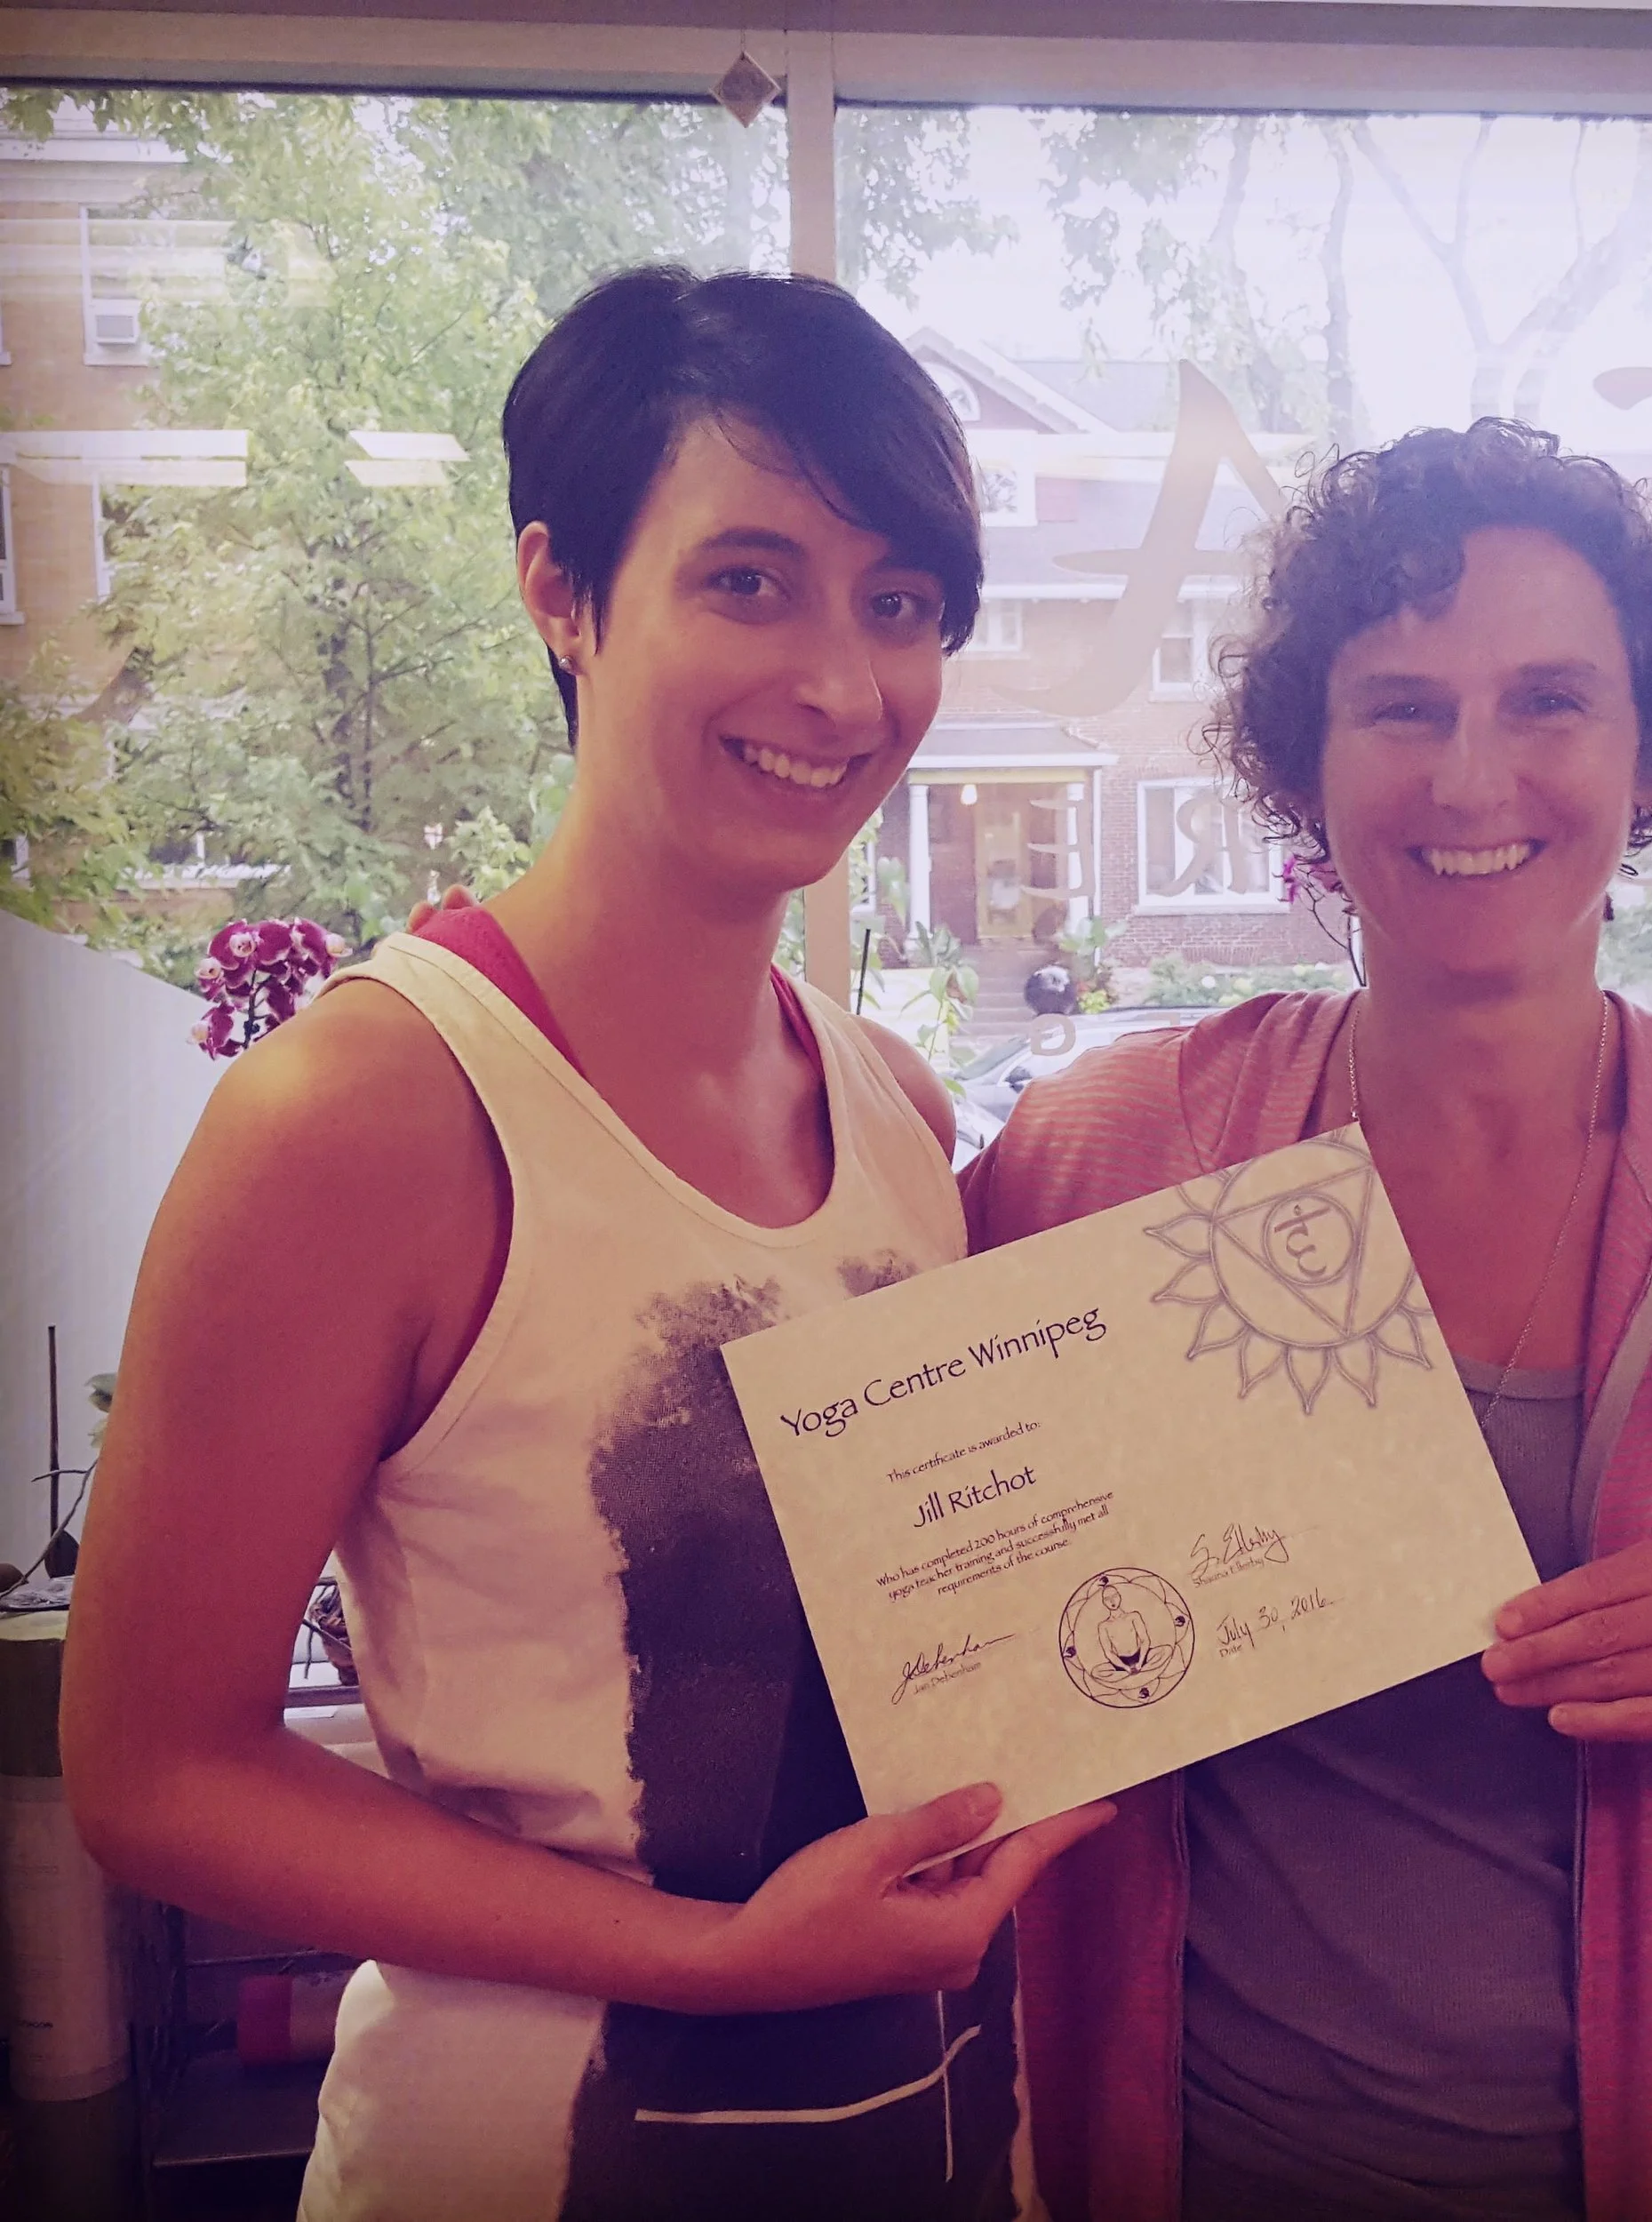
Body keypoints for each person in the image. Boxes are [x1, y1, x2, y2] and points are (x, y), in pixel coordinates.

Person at [62, 266, 1105, 2222]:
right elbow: (147, 1768)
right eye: (748, 579)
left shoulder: (893, 1101)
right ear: (560, 589)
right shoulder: (364, 1117)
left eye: (899, 603)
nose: (839, 679)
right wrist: (712, 1955)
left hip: (941, 2142)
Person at [959, 420, 1652, 2221]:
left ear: (1645, 746)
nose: (1470, 770)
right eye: (1402, 705)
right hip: (1208, 2160)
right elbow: (944, 1576)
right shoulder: (1105, 1153)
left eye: (1547, 699)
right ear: (1307, 761)